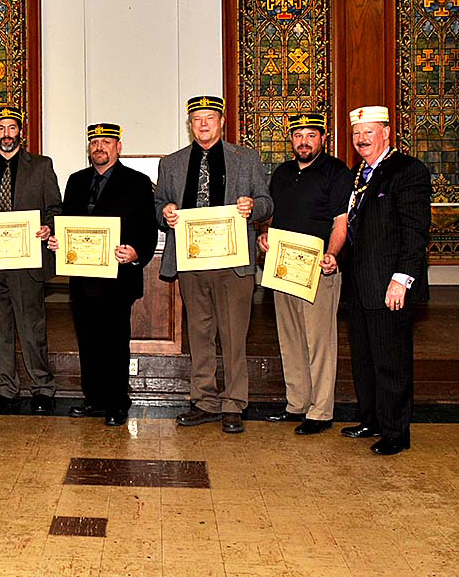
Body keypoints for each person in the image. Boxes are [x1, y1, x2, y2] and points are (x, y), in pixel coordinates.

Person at [154, 96, 273, 434]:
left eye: (210, 118)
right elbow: (159, 203)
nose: (203, 124)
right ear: (189, 124)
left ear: (221, 122)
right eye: (197, 119)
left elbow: (267, 202)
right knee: (200, 334)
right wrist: (165, 212)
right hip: (191, 261)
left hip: (233, 263)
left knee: (234, 335)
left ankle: (233, 403)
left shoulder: (245, 158)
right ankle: (204, 401)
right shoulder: (172, 163)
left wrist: (253, 207)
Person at [48, 123, 158, 426]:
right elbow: (67, 223)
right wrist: (58, 241)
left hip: (118, 278)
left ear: (118, 147)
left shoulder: (137, 182)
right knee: (87, 340)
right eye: (94, 142)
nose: (99, 147)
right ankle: (94, 399)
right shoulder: (77, 181)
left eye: (106, 142)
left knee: (114, 342)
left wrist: (136, 252)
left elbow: (147, 228)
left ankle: (117, 402)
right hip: (82, 278)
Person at [340, 105, 431, 455]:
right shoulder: (358, 173)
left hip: (390, 285)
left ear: (387, 133)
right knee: (364, 359)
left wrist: (402, 279)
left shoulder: (407, 171)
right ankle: (372, 421)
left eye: (369, 132)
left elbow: (414, 231)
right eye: (357, 133)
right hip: (359, 285)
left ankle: (395, 433)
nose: (362, 139)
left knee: (391, 361)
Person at [258, 114, 352, 435]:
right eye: (298, 135)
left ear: (323, 138)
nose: (304, 141)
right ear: (291, 139)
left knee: (319, 340)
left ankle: (321, 410)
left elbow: (341, 221)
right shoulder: (282, 173)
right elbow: (272, 216)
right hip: (283, 267)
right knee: (290, 338)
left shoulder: (336, 172)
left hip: (318, 267)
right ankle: (296, 403)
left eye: (311, 135)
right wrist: (264, 235)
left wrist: (332, 254)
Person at [0, 106, 62, 414]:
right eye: (1, 128)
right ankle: (6, 389)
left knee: (32, 330)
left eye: (12, 128)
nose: (6, 134)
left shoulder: (42, 166)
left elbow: (55, 208)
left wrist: (49, 227)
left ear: (21, 131)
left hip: (27, 262)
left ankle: (42, 388)